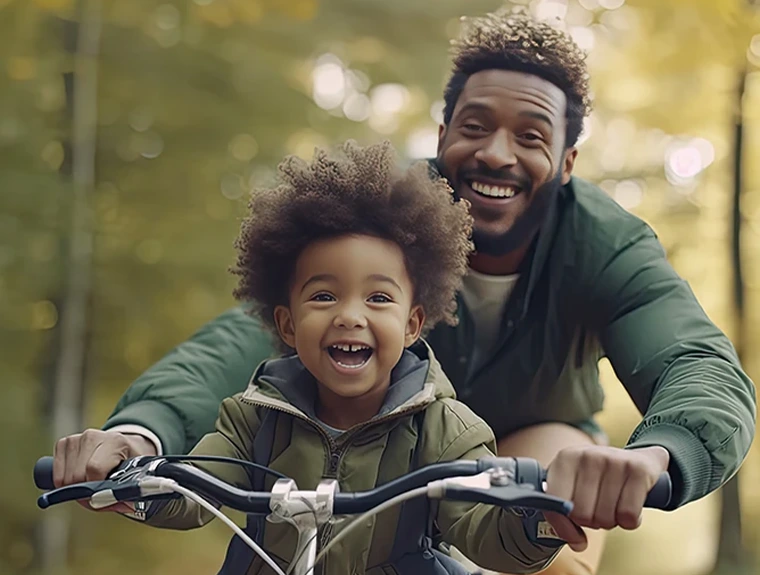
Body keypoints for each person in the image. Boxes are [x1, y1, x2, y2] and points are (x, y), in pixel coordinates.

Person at [52, 8, 756, 575]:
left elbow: (694, 362)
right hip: (378, 441)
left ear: (568, 160)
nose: (496, 154)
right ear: (444, 130)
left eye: (531, 136)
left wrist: (655, 454)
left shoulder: (607, 245)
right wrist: (138, 434)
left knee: (544, 540)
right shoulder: (372, 231)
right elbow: (239, 341)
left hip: (530, 454)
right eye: (474, 126)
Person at [113, 139, 568, 575]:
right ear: (288, 325)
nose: (350, 316)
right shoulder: (253, 418)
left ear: (412, 325)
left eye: (378, 298)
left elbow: (485, 530)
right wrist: (136, 483)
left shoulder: (446, 431)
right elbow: (192, 489)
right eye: (325, 295)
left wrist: (540, 520)